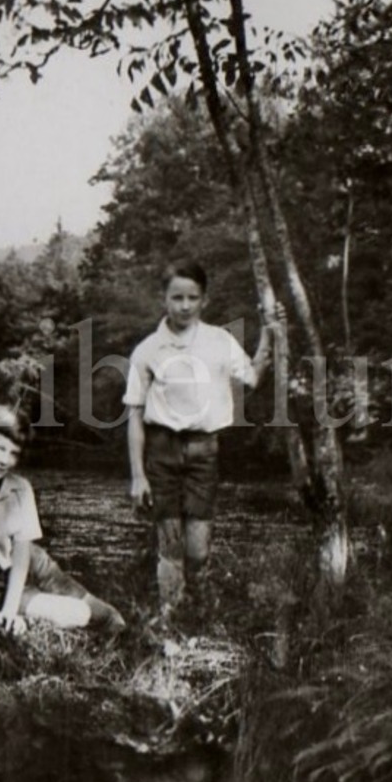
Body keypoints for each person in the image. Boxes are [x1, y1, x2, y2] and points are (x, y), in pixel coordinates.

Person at [123, 260, 280, 609]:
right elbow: (134, 414)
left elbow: (253, 377)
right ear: (164, 299)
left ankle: (198, 612)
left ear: (204, 300)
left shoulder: (219, 341)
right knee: (170, 548)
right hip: (161, 452)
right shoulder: (148, 350)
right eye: (176, 297)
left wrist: (269, 331)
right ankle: (170, 622)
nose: (184, 305)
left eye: (192, 297)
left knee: (197, 548)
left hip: (204, 451)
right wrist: (138, 476)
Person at [0, 404, 125, 637]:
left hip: (35, 565)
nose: (4, 460)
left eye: (13, 453)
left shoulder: (21, 488)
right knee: (77, 613)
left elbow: (22, 551)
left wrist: (11, 608)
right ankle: (38, 618)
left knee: (109, 618)